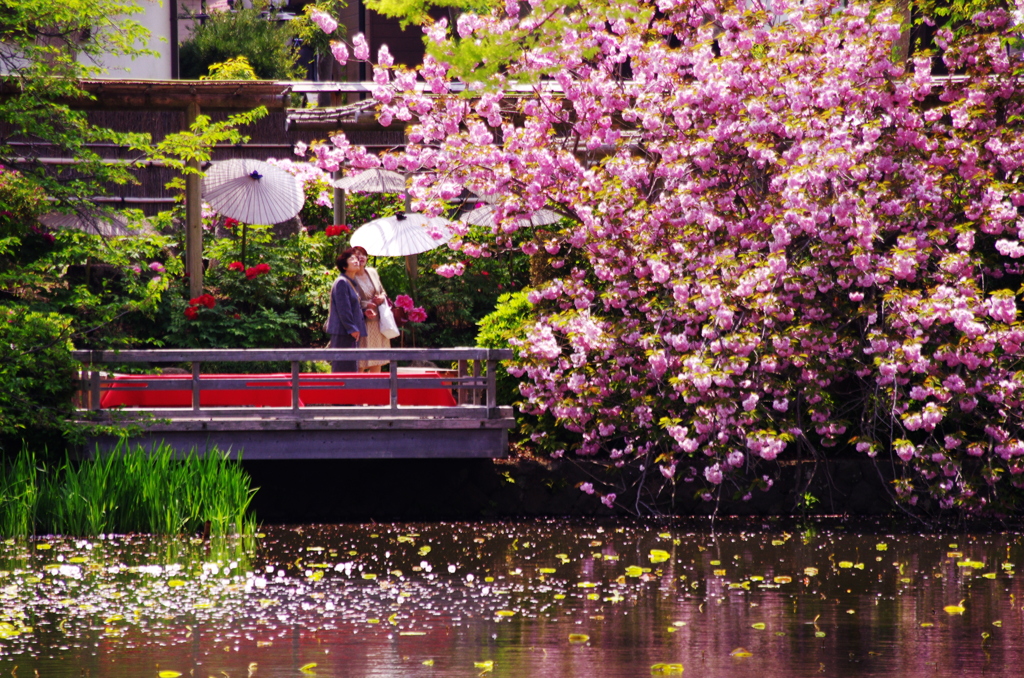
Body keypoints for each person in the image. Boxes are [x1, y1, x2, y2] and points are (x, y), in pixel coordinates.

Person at [348, 245, 391, 372]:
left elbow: (383, 291)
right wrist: (367, 306)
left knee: (377, 360)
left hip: (378, 324)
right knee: (361, 362)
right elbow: (350, 301)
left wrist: (381, 298)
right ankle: (358, 390)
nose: (360, 257)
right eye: (357, 255)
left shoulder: (372, 272)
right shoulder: (350, 277)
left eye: (363, 254)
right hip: (362, 324)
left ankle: (376, 391)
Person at [325, 248, 367, 373]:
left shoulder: (351, 282)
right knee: (343, 367)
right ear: (344, 266)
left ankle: (348, 391)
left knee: (350, 366)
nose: (356, 261)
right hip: (344, 332)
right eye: (352, 259)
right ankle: (339, 391)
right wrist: (351, 328)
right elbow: (343, 309)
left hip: (350, 332)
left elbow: (353, 307)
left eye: (356, 258)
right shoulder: (341, 282)